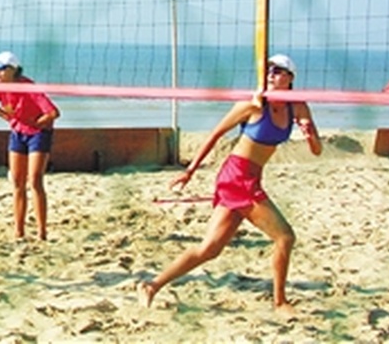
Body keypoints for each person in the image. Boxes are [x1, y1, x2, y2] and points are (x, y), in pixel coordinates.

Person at [138, 54, 322, 312]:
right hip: (237, 176)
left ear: (290, 78)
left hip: (251, 178)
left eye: (279, 70)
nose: (271, 73)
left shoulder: (298, 107)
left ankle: (152, 285)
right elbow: (216, 134)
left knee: (209, 249)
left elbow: (317, 150)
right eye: (269, 69)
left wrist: (309, 134)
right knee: (285, 237)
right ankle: (280, 302)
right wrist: (190, 171)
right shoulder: (253, 105)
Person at [0, 51, 60, 241]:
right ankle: (19, 231)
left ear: (13, 69)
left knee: (35, 180)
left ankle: (42, 232)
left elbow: (53, 113)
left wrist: (37, 123)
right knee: (17, 182)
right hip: (18, 133)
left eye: (1, 68)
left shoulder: (27, 87)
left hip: (38, 134)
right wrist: (6, 116)